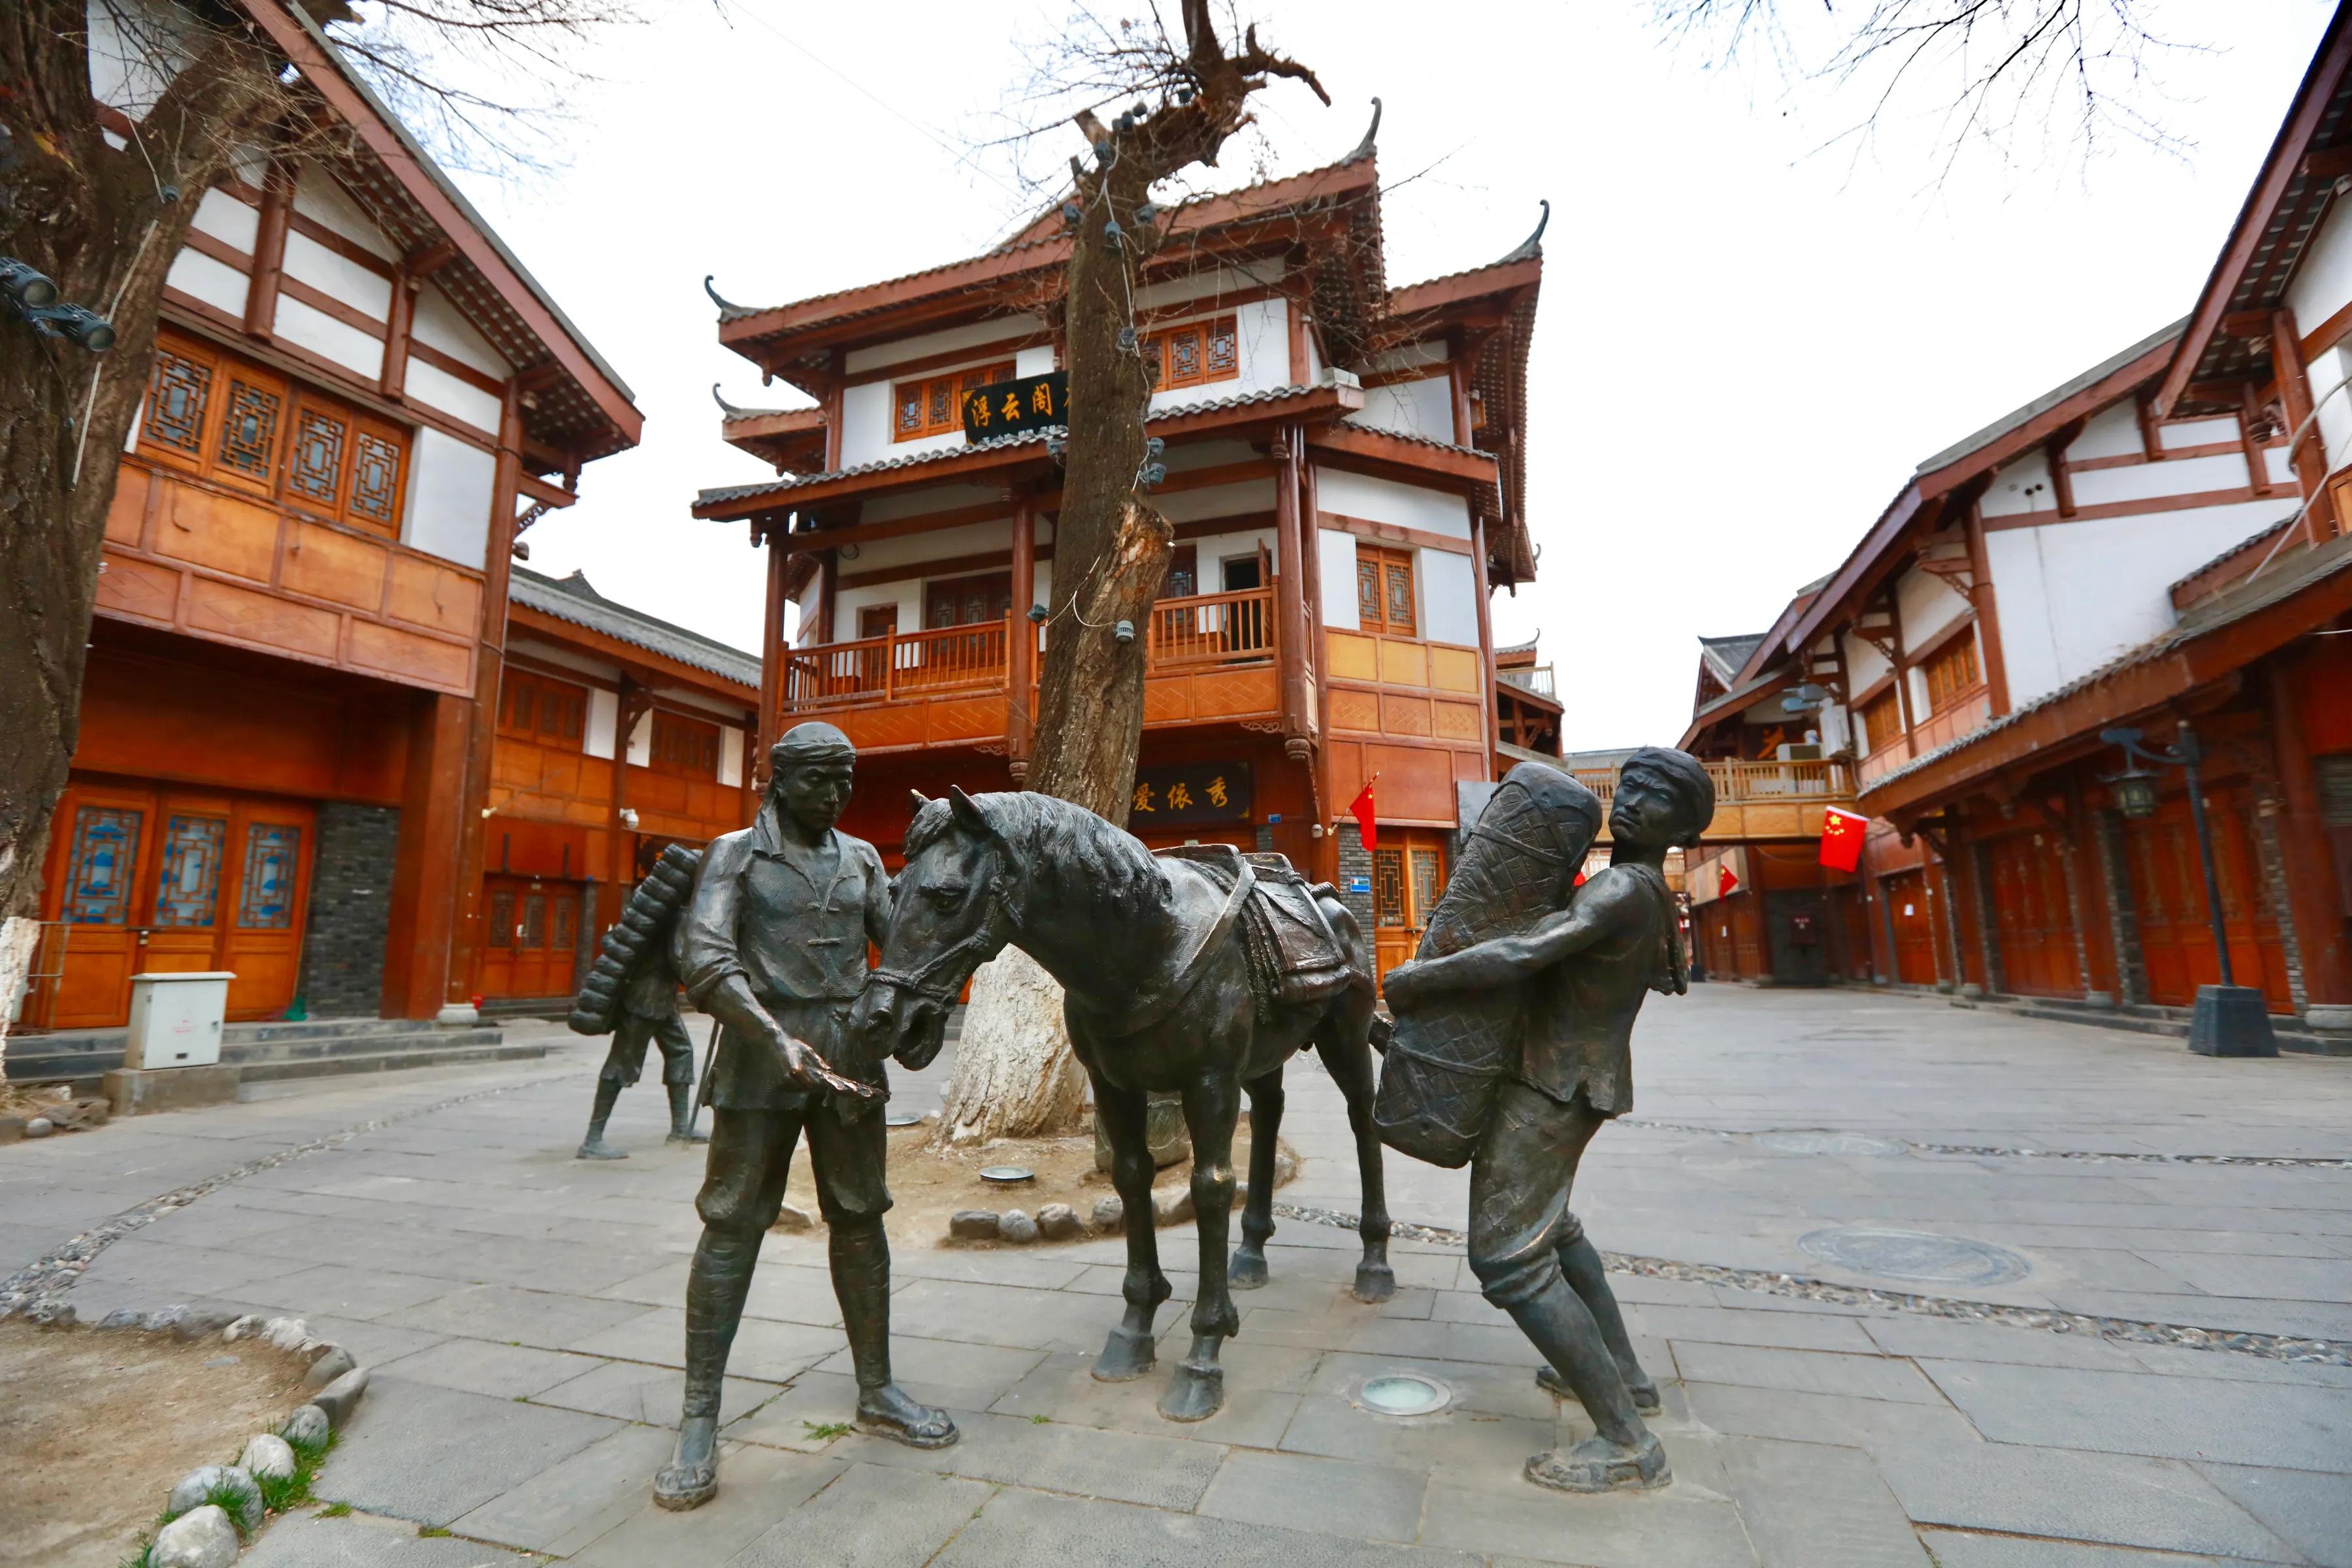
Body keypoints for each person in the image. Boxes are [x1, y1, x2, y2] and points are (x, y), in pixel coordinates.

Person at [1381, 746, 1713, 1494]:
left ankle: (1627, 1442)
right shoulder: (1640, 890)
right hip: (1571, 1078)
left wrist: (1419, 983)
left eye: (1656, 797)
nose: (1632, 802)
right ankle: (1625, 1376)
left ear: (1684, 829)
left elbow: (1524, 953)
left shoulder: (1622, 891)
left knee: (1509, 1258)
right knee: (1555, 1227)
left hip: (1555, 1087)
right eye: (1629, 787)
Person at [653, 721, 956, 1511]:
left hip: (850, 1060)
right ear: (781, 780)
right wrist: (772, 1037)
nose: (836, 795)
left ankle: (878, 1388)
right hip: (760, 1058)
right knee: (731, 1223)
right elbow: (706, 959)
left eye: (845, 782)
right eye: (821, 780)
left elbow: (905, 943)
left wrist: (940, 859)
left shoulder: (859, 858)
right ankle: (698, 1417)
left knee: (861, 1216)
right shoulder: (735, 854)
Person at [577, 943, 704, 1159]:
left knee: (681, 1051)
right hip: (645, 999)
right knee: (622, 1062)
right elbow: (680, 959)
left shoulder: (674, 912)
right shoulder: (674, 914)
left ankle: (680, 1128)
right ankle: (592, 1140)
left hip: (662, 998)